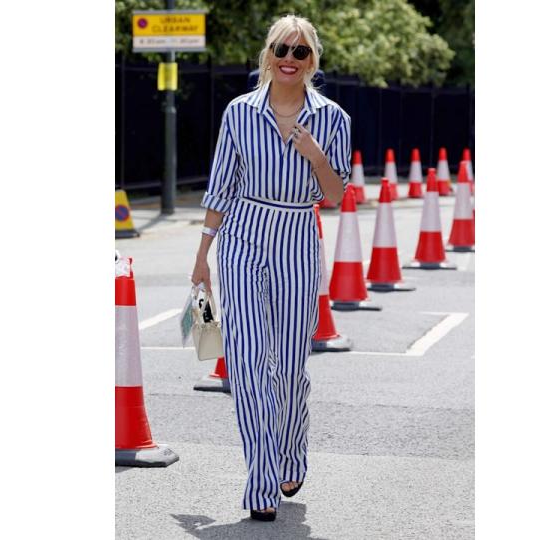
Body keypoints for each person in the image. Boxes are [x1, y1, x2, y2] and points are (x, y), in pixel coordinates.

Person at [190, 14, 351, 523]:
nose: (289, 58)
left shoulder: (333, 119)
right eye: (282, 48)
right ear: (268, 54)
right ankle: (261, 478)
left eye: (300, 52)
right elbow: (220, 186)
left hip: (298, 238)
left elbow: (335, 194)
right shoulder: (239, 113)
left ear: (311, 61)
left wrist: (316, 154)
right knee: (247, 361)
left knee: (288, 368)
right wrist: (202, 255)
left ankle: (291, 450)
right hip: (242, 235)